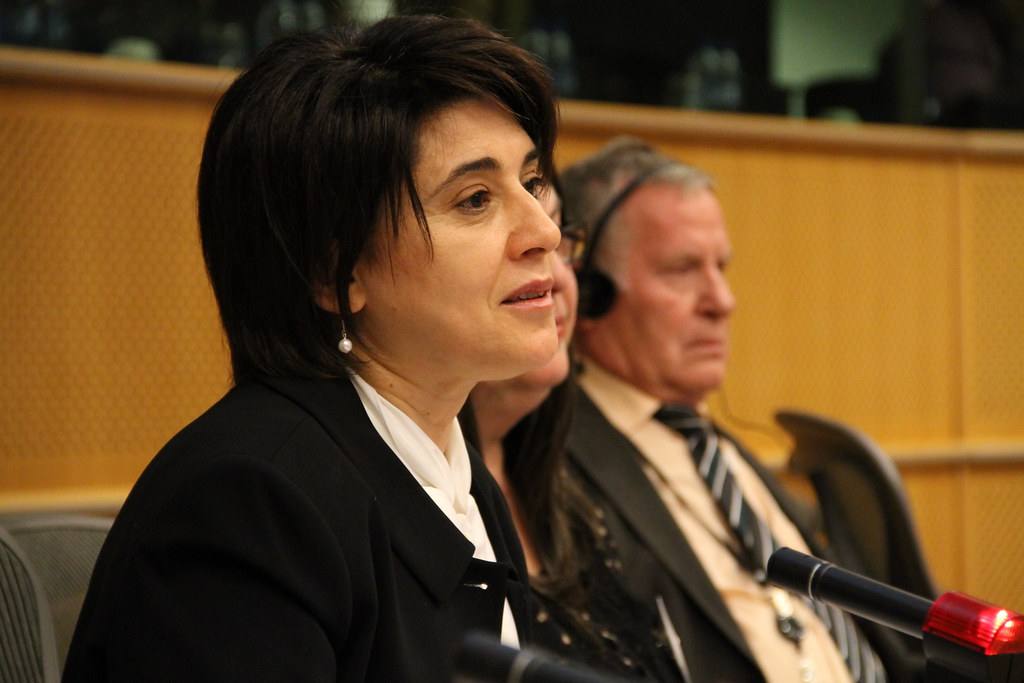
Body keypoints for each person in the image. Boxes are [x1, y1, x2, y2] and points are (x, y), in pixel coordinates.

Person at [63, 16, 561, 683]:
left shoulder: (458, 477)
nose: (543, 231)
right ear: (335, 273)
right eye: (475, 199)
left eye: (532, 182)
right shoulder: (249, 504)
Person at [560, 137, 919, 683]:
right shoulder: (556, 466)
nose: (721, 301)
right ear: (589, 294)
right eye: (682, 269)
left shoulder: (719, 451)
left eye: (720, 267)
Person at [463, 184, 684, 681]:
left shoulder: (575, 493)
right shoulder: (402, 502)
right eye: (531, 249)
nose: (558, 279)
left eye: (563, 243)